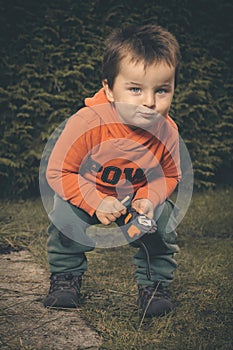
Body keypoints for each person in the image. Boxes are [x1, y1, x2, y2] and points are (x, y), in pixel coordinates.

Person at [43, 24, 181, 318]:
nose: (149, 102)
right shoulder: (88, 122)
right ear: (109, 89)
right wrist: (94, 200)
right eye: (135, 89)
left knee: (162, 218)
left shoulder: (167, 132)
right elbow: (58, 170)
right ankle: (65, 278)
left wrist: (148, 198)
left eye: (162, 90)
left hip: (132, 198)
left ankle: (154, 286)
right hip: (88, 193)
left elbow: (168, 175)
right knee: (64, 214)